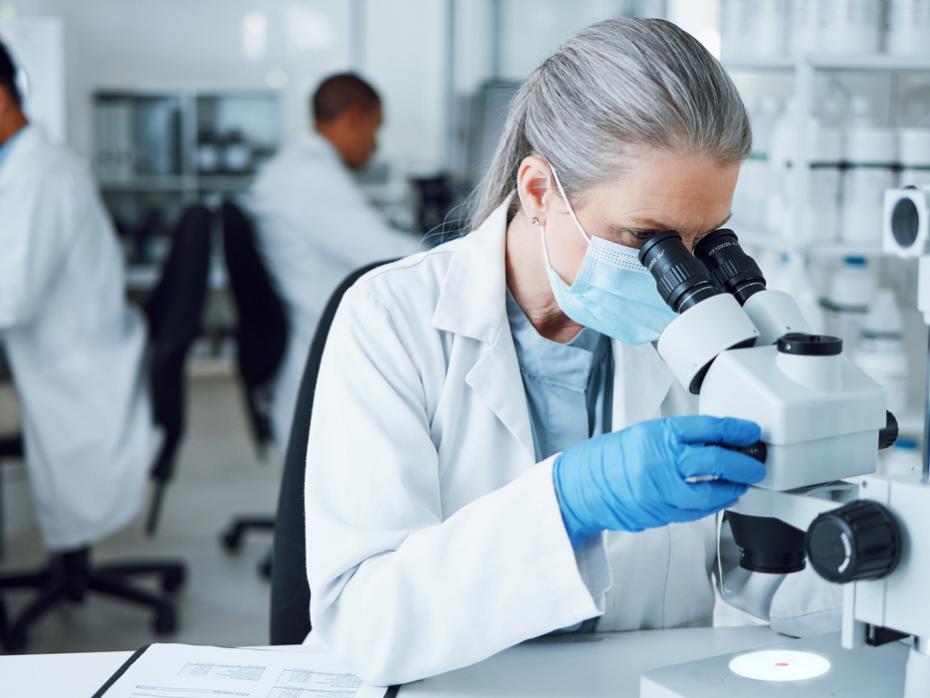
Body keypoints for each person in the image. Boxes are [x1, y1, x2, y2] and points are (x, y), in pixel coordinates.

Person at [306, 19, 841, 686]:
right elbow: (365, 623)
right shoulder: (389, 318)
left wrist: (831, 487)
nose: (685, 277)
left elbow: (778, 583)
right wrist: (564, 503)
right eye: (648, 237)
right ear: (538, 193)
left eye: (706, 240)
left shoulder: (715, 338)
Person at [0, 40, 157, 552]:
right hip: (67, 356)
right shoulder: (24, 171)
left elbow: (13, 297)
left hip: (74, 371)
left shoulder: (40, 176)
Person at [250, 72, 419, 446]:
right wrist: (470, 246)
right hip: (323, 369)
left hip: (318, 349)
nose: (375, 146)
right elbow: (388, 253)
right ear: (353, 117)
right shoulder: (308, 176)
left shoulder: (302, 168)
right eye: (374, 130)